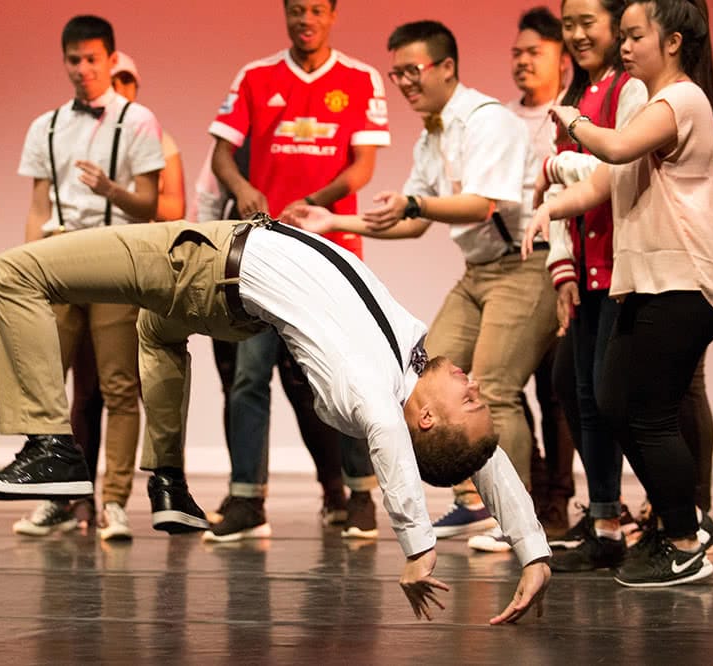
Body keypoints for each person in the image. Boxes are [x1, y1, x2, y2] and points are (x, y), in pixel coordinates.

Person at [0, 214, 552, 622]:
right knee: (155, 331)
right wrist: (533, 551)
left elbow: (385, 433)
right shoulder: (409, 367)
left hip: (203, 260)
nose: (473, 384)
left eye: (469, 398)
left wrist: (418, 546)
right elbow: (486, 456)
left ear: (423, 420)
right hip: (226, 294)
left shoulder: (369, 390)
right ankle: (169, 482)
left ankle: (50, 445)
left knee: (18, 272)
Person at [289, 20, 559, 548]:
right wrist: (333, 222)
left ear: (447, 67)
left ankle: (517, 520)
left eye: (414, 71)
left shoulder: (488, 121)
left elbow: (484, 203)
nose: (406, 83)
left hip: (526, 264)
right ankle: (471, 502)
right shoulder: (433, 134)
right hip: (479, 271)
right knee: (422, 379)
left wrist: (415, 203)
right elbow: (411, 222)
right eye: (398, 74)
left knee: (495, 390)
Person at [524, 0, 713, 587]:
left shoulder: (682, 100)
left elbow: (609, 149)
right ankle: (680, 527)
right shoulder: (648, 111)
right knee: (610, 402)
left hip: (682, 280)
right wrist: (549, 209)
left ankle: (686, 536)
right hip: (644, 282)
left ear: (675, 41)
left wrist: (569, 117)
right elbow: (603, 182)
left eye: (636, 36)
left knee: (648, 412)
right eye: (624, 37)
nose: (625, 47)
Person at [206, 0, 390, 541]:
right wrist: (242, 190)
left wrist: (314, 200)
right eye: (295, 9)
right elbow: (222, 154)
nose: (305, 19)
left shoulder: (359, 79)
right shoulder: (256, 76)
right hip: (262, 251)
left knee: (343, 375)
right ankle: (247, 500)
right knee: (247, 376)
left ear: (332, 15)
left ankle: (360, 495)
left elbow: (362, 165)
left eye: (315, 9)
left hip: (331, 249)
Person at [7, 16, 164, 541]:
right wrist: (31, 269)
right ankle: (59, 494)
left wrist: (111, 190)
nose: (83, 69)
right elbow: (37, 205)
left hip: (116, 256)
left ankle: (114, 502)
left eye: (92, 59)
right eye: (74, 59)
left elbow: (148, 205)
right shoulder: (46, 125)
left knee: (120, 386)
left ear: (111, 60)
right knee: (48, 385)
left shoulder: (138, 120)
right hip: (58, 256)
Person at [470, 6, 576, 552]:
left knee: (556, 388)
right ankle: (530, 487)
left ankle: (557, 498)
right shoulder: (501, 119)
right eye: (516, 53)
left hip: (560, 263)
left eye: (534, 52)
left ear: (562, 57)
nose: (522, 62)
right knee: (503, 386)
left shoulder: (573, 114)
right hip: (507, 261)